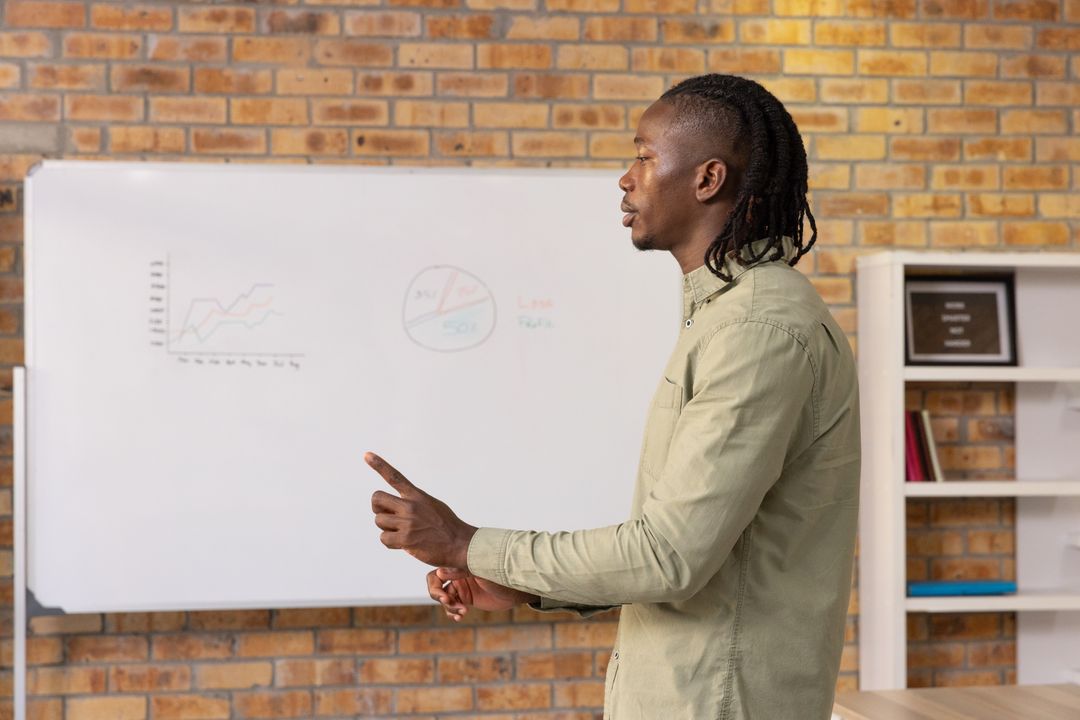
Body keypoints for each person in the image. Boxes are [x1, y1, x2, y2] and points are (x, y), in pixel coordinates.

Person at [368, 73, 860, 720]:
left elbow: (668, 556)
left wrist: (466, 544)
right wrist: (516, 585)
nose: (626, 179)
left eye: (645, 155)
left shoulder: (758, 332)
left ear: (707, 180)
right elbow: (689, 557)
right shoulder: (725, 319)